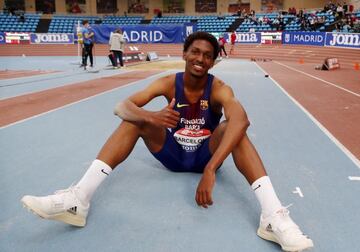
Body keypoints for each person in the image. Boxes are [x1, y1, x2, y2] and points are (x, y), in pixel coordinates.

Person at [21, 31, 313, 252]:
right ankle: (77, 201)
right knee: (133, 119)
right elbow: (122, 106)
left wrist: (211, 169)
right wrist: (151, 117)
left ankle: (272, 216)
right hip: (171, 153)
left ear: (213, 61)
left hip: (204, 157)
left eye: (207, 55)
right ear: (184, 54)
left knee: (233, 128)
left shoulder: (220, 89)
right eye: (195, 52)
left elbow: (241, 119)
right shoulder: (166, 83)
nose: (200, 59)